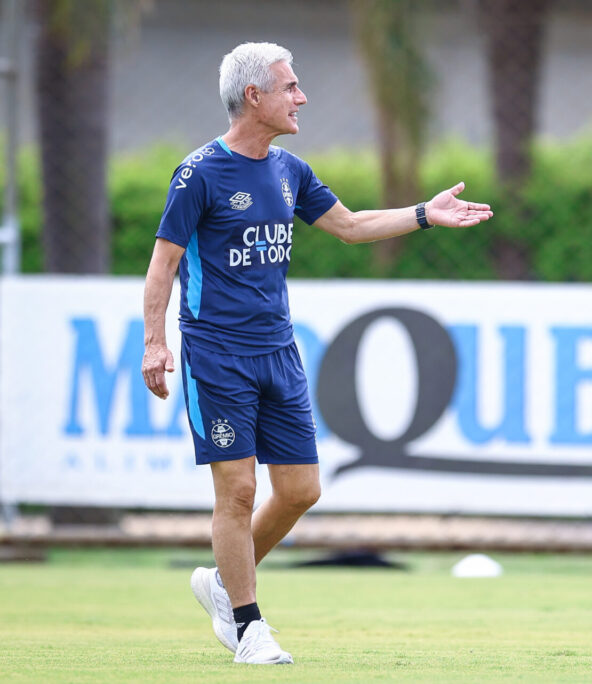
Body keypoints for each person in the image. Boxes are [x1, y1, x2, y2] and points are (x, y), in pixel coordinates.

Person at [141, 42, 492, 665]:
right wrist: (155, 342)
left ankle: (224, 582)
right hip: (216, 355)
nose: (301, 97)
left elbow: (351, 226)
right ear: (255, 96)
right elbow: (163, 262)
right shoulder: (199, 173)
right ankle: (248, 626)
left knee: (301, 491)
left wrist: (424, 215)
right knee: (239, 491)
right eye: (290, 86)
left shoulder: (289, 171)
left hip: (279, 351)